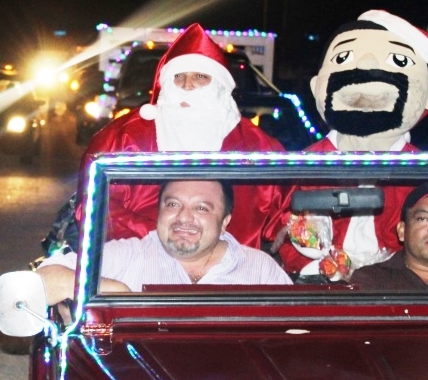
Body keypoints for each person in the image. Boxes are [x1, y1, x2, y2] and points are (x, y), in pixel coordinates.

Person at [275, 10, 428, 278]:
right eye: (343, 58)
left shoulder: (424, 172)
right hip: (315, 290)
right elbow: (276, 225)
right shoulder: (303, 164)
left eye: (398, 60)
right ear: (317, 86)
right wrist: (312, 265)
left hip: (397, 294)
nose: (365, 66)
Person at [75, 23, 287, 250]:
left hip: (231, 273)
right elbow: (94, 206)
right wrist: (164, 239)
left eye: (200, 76)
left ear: (220, 85)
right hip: (139, 262)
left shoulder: (256, 145)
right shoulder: (125, 136)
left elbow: (285, 215)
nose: (187, 85)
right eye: (179, 77)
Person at [38, 180, 291, 305]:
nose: (184, 217)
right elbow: (41, 281)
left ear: (225, 221)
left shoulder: (261, 269)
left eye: (202, 208)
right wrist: (117, 291)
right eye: (172, 204)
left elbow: (298, 333)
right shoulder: (129, 255)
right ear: (158, 212)